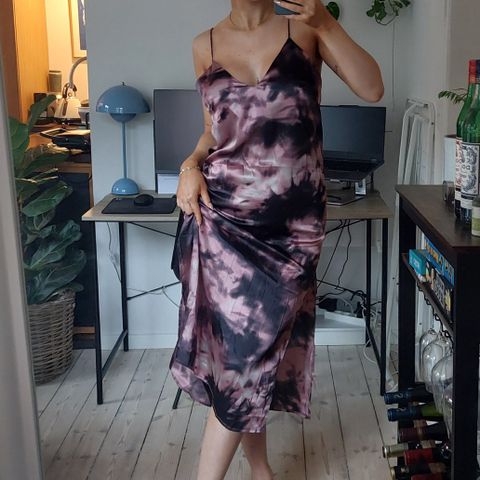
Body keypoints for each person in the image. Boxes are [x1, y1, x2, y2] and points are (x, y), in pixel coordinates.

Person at [169, 1, 384, 479]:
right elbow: (211, 132)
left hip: (293, 232)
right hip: (224, 221)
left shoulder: (306, 30)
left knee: (250, 352)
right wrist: (190, 166)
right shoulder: (204, 45)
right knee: (242, 356)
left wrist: (325, 22)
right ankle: (260, 469)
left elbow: (372, 88)